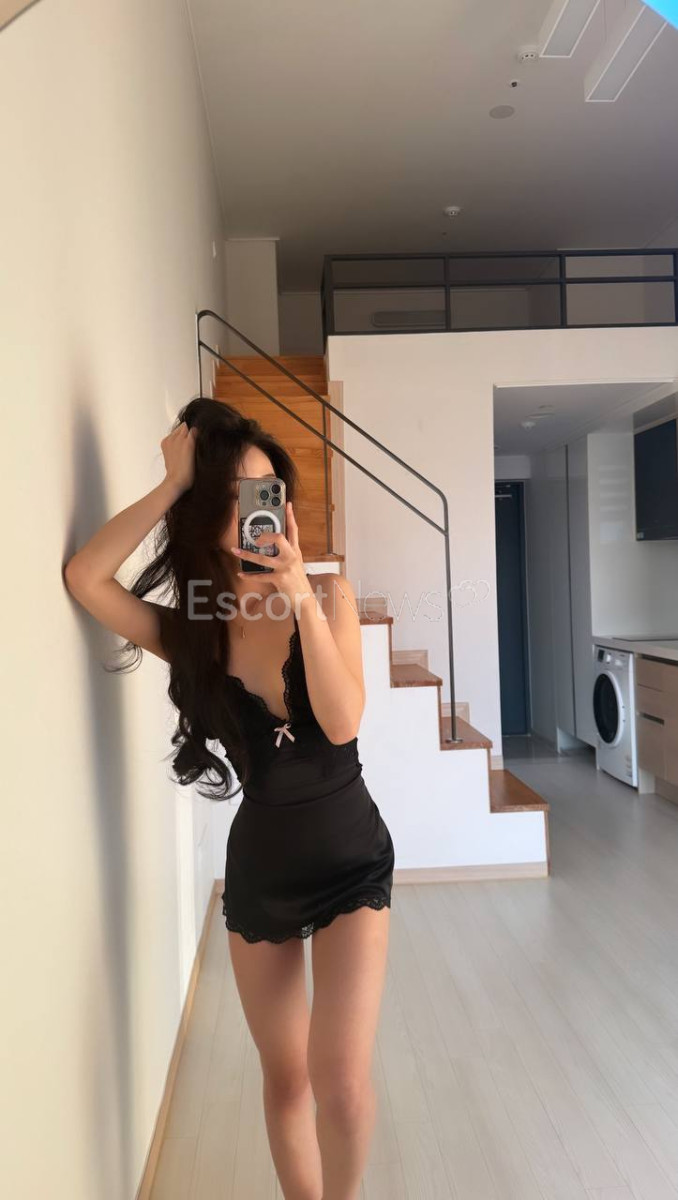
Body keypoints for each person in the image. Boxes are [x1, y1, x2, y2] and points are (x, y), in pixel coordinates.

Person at [63, 396, 395, 1200]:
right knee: (286, 1081)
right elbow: (86, 579)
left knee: (341, 1081)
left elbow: (343, 723)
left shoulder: (330, 596)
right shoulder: (197, 628)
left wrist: (298, 591)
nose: (258, 511)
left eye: (267, 491)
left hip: (352, 860)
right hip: (262, 873)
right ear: (208, 509)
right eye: (240, 494)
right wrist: (169, 484)